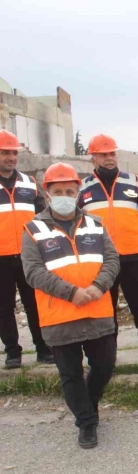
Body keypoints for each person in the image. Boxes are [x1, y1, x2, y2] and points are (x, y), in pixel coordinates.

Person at [21, 162, 120, 449]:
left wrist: (97, 287)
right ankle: (87, 423)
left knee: (104, 365)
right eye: (58, 191)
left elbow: (112, 260)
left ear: (78, 192)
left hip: (97, 310)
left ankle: (87, 405)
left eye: (70, 190)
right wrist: (71, 292)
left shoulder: (95, 224)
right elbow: (33, 272)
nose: (65, 195)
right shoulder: (33, 229)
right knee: (70, 374)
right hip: (59, 314)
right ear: (47, 193)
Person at [78, 134, 138, 365]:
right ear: (93, 159)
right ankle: (109, 354)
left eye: (112, 154)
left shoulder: (133, 182)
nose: (109, 158)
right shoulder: (83, 188)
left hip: (133, 256)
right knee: (106, 309)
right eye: (103, 154)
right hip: (100, 260)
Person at [0, 130, 54, 368]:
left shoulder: (29, 184)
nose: (11, 157)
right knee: (3, 308)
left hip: (28, 257)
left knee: (35, 304)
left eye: (13, 153)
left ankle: (43, 348)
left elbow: (44, 218)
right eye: (5, 153)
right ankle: (12, 351)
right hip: (0, 259)